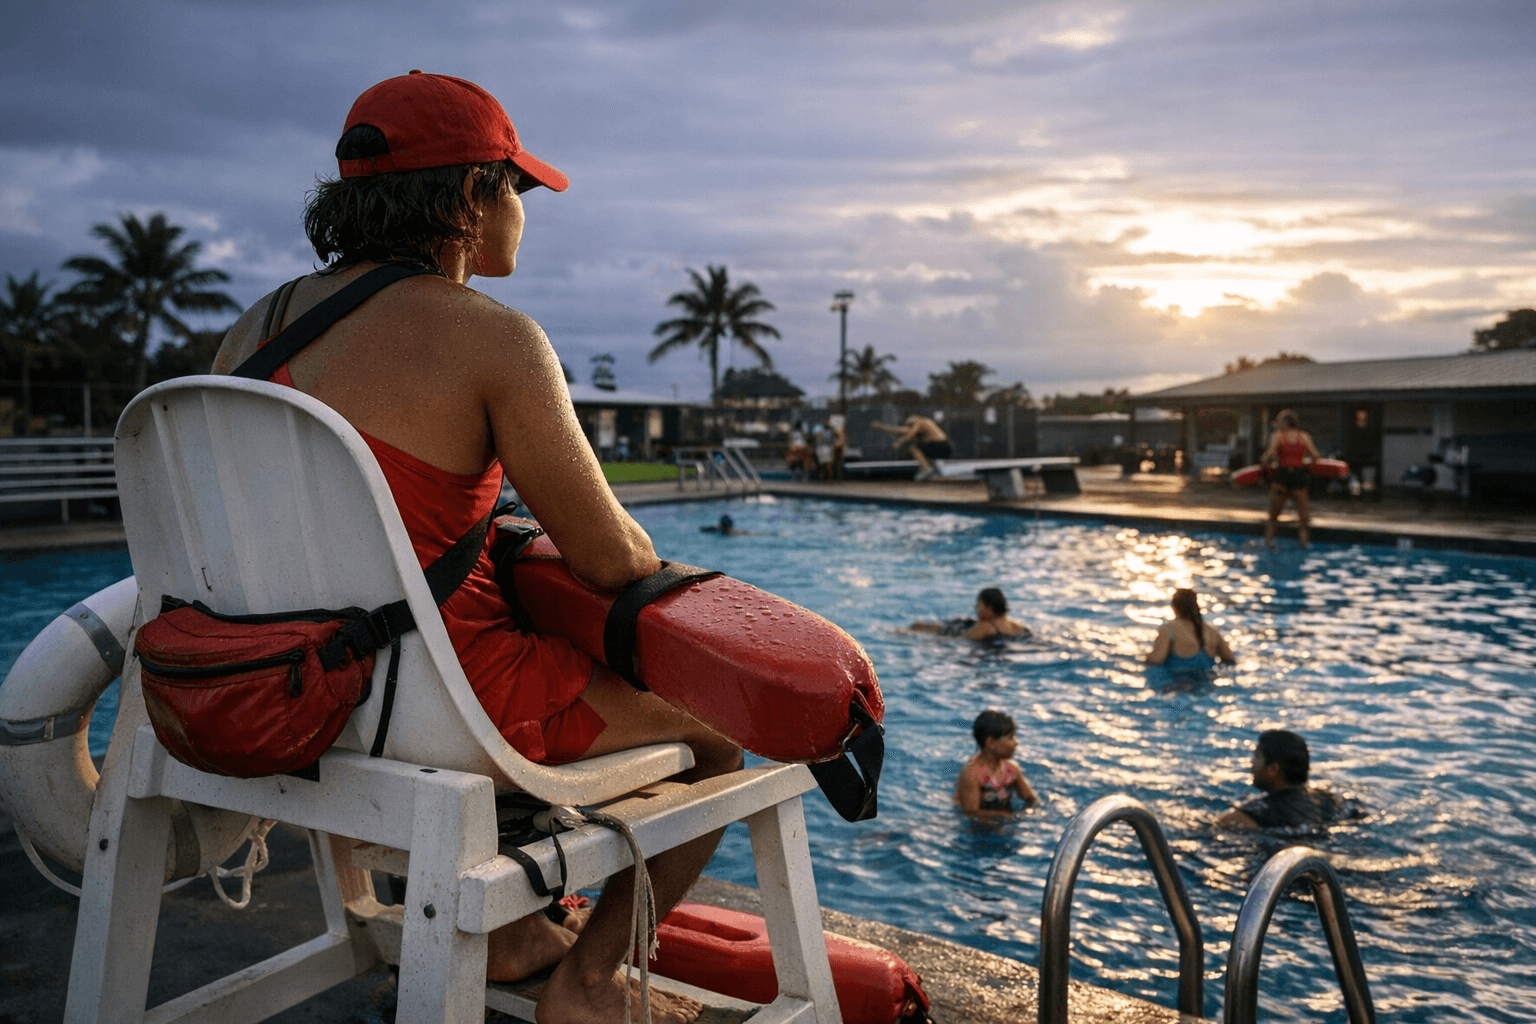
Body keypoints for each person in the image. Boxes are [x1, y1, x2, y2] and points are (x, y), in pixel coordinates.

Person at [212, 71, 734, 1024]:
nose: (524, 213)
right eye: (516, 188)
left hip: (280, 692)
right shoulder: (496, 340)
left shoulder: (249, 332)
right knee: (718, 733)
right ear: (468, 198)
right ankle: (588, 982)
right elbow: (612, 560)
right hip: (438, 716)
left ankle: (505, 934)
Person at [1217, 730, 1347, 830]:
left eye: (1257, 757)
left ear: (1273, 769)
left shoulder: (1249, 815)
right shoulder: (1332, 802)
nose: (1252, 762)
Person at [954, 710, 1040, 816]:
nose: (1016, 743)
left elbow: (1031, 799)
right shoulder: (972, 773)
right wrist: (1001, 816)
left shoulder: (1011, 769)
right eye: (1010, 738)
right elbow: (971, 812)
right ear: (990, 742)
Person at [1145, 587, 1234, 685]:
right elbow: (1229, 660)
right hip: (1206, 684)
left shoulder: (1168, 629)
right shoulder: (1212, 632)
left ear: (1174, 608)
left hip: (1177, 686)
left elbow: (1156, 661)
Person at [1261, 409, 1322, 548]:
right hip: (1299, 476)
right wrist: (1305, 465)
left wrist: (1265, 465)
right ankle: (1304, 543)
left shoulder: (1277, 436)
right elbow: (1315, 456)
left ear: (1285, 422)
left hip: (1282, 476)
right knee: (1303, 516)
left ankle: (1268, 542)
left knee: (1273, 515)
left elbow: (1270, 454)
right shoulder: (1304, 436)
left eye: (1279, 421)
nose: (1277, 424)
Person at [911, 588, 1030, 641]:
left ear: (989, 607)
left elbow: (962, 641)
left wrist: (931, 641)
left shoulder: (985, 626)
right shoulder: (1018, 627)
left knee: (917, 627)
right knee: (919, 626)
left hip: (961, 628)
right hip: (968, 626)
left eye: (979, 605)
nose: (976, 608)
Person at [871, 414, 951, 481]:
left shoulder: (922, 421)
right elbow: (898, 430)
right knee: (922, 450)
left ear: (914, 421)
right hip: (942, 447)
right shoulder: (920, 427)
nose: (909, 427)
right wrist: (881, 426)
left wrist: (899, 442)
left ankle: (926, 470)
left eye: (910, 425)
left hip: (942, 445)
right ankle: (935, 469)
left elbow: (910, 434)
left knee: (914, 448)